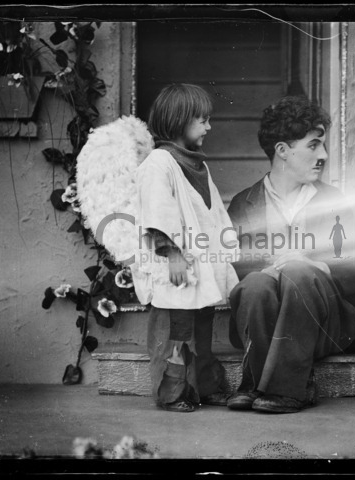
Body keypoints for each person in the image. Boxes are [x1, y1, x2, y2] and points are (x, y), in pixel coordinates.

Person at [226, 95, 355, 414]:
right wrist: (273, 267)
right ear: (282, 151)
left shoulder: (333, 200)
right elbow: (235, 268)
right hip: (266, 322)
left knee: (300, 272)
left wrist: (315, 263)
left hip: (325, 326)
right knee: (254, 284)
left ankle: (288, 389)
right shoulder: (244, 203)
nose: (323, 155)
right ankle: (254, 385)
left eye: (323, 145)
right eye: (313, 145)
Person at [135, 84, 240, 412]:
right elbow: (156, 210)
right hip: (177, 267)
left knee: (202, 329)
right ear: (180, 121)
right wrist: (173, 253)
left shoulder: (198, 165)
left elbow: (212, 213)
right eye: (202, 120)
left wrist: (225, 252)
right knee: (178, 333)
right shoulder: (159, 162)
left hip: (201, 265)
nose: (209, 127)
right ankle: (173, 393)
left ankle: (204, 387)